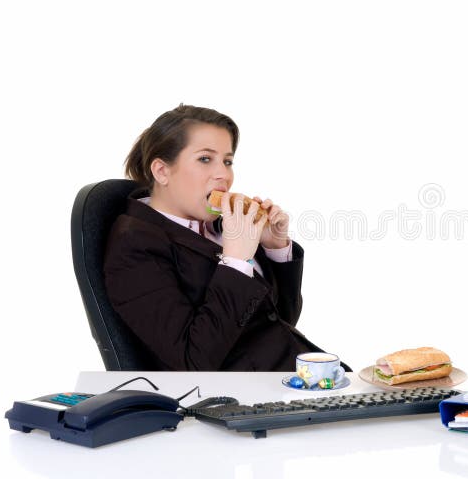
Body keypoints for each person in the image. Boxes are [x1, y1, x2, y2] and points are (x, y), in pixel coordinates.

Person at [104, 104, 331, 371]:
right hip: (244, 401)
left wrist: (275, 249)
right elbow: (193, 361)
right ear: (162, 171)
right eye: (205, 159)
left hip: (303, 376)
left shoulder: (224, 228)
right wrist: (235, 261)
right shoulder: (134, 246)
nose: (224, 174)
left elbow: (279, 321)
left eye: (227, 161)